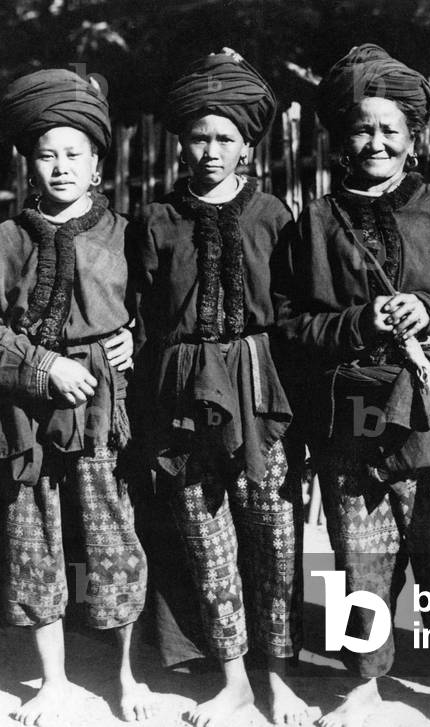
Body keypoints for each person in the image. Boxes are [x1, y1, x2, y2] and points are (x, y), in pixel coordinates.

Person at [275, 44, 430, 727]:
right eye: (360, 129)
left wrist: (429, 309)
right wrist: (357, 320)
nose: (374, 142)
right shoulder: (313, 223)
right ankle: (364, 682)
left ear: (413, 139)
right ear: (341, 138)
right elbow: (288, 323)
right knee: (359, 552)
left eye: (389, 130)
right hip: (351, 411)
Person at [0, 69, 154, 725]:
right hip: (25, 416)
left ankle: (127, 675)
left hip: (102, 412)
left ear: (98, 162)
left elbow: (160, 308)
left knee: (111, 540)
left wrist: (136, 338)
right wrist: (42, 367)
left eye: (74, 153)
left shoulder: (126, 232)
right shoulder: (5, 240)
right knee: (34, 540)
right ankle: (54, 680)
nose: (61, 166)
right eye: (47, 153)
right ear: (28, 163)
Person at [127, 48, 313, 727]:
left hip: (260, 394)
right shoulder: (155, 219)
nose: (209, 150)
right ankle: (232, 678)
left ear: (246, 145)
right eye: (198, 137)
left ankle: (279, 677)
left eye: (224, 138)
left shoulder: (273, 215)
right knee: (207, 541)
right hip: (181, 392)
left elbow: (295, 314)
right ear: (181, 142)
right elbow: (139, 310)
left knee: (273, 540)